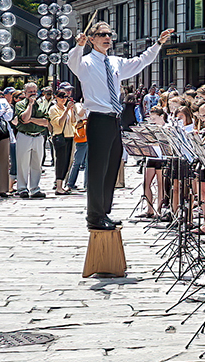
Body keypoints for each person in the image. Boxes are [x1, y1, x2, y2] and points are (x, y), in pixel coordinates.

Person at [67, 21, 171, 230]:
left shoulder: (114, 62)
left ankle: (104, 211)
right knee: (97, 169)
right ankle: (94, 216)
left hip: (114, 119)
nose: (107, 38)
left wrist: (158, 44)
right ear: (92, 38)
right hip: (98, 118)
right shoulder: (85, 62)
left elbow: (140, 61)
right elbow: (72, 62)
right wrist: (78, 45)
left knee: (112, 167)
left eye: (110, 34)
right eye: (102, 34)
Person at [14, 81, 51, 199]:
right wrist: (30, 105)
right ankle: (22, 188)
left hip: (38, 136)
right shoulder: (20, 104)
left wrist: (32, 120)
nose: (33, 94)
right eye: (30, 92)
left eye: (35, 91)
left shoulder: (42, 103)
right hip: (24, 135)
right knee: (22, 163)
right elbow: (24, 119)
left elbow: (45, 122)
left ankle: (35, 188)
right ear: (25, 93)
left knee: (37, 164)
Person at [50, 84, 77, 194]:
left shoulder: (67, 108)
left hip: (69, 136)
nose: (63, 99)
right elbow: (59, 123)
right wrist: (66, 112)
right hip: (60, 136)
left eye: (65, 97)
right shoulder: (53, 109)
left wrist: (72, 110)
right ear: (56, 97)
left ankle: (63, 184)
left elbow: (73, 121)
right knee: (60, 161)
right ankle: (58, 186)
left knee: (67, 161)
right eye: (61, 97)